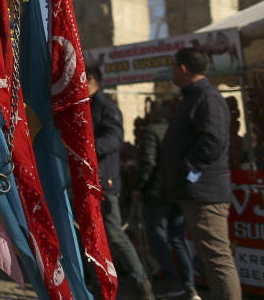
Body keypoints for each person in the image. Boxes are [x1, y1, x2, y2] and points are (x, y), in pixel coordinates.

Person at [161, 48, 241, 300]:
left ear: (183, 68)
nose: (171, 71)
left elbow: (213, 141)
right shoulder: (194, 96)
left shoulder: (206, 97)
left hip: (206, 193)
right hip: (196, 191)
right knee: (211, 259)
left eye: (173, 65)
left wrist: (187, 168)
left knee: (218, 259)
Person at [88, 67, 155, 300]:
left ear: (90, 80)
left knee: (115, 233)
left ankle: (141, 282)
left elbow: (114, 139)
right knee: (91, 235)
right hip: (86, 181)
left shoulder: (106, 108)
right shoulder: (86, 106)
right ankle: (98, 282)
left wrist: (86, 149)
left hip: (104, 182)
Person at [137, 100, 199, 300]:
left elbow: (148, 163)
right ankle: (189, 284)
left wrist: (139, 187)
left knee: (159, 236)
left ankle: (173, 281)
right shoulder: (180, 132)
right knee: (177, 237)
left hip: (157, 192)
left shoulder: (151, 132)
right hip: (176, 190)